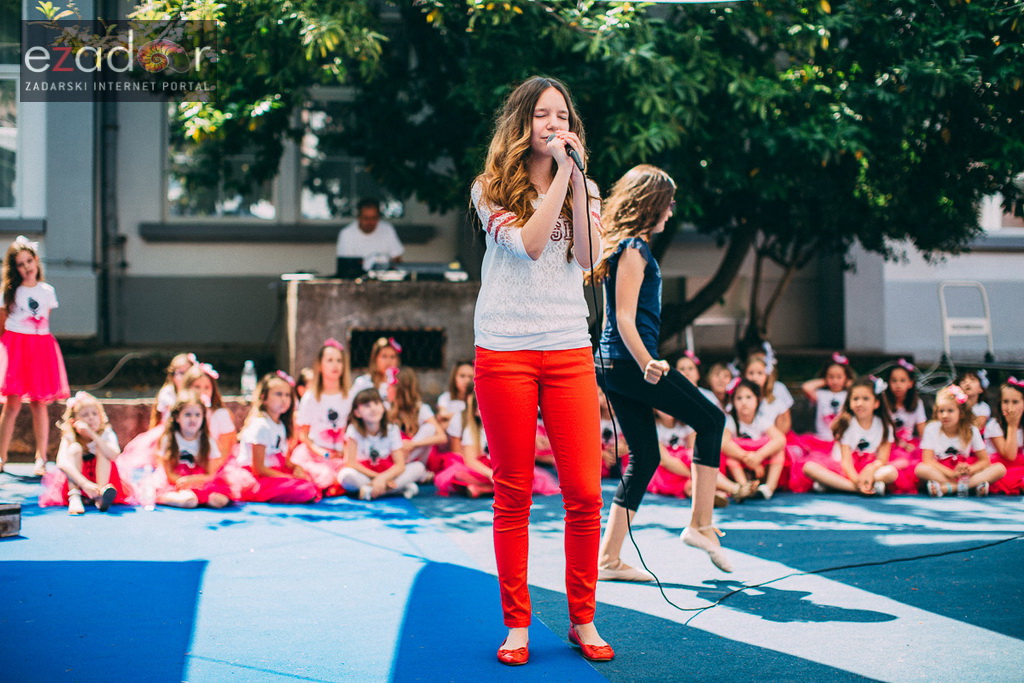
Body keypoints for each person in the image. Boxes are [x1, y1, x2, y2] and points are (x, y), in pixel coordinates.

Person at [470, 76, 611, 665]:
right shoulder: (489, 187)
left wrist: (577, 184)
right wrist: (558, 181)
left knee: (584, 489)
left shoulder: (584, 183)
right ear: (523, 124)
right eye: (542, 115)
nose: (553, 124)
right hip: (503, 350)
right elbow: (528, 244)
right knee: (515, 491)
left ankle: (583, 619)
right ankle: (518, 624)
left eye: (562, 115)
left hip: (566, 346)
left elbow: (590, 257)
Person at [589, 164, 730, 588]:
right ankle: (700, 524)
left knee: (646, 457)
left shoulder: (630, 247)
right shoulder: (632, 248)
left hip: (616, 366)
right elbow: (625, 318)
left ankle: (609, 558)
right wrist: (648, 361)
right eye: (668, 201)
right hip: (630, 365)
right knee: (712, 420)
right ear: (651, 203)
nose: (671, 210)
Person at [0, 236, 70, 475]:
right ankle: (1, 456)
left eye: (29, 261)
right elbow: (3, 325)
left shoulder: (47, 291)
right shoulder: (10, 292)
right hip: (15, 347)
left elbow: (44, 321)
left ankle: (41, 458)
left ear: (36, 260)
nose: (27, 267)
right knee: (12, 403)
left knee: (40, 402)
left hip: (40, 349)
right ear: (15, 268)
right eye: (20, 264)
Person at [435, 385, 559, 498]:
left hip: (502, 469)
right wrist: (490, 474)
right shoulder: (472, 431)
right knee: (459, 475)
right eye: (481, 406)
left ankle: (483, 490)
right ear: (475, 412)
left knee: (526, 478)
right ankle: (491, 488)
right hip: (482, 469)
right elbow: (470, 460)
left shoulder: (502, 428)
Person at [224, 372, 320, 504]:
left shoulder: (280, 425)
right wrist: (287, 477)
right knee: (304, 489)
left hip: (274, 472)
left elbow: (282, 458)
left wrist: (296, 468)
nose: (284, 399)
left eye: (287, 395)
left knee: (310, 481)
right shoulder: (261, 425)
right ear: (264, 398)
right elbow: (258, 468)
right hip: (258, 477)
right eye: (278, 394)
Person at [801, 377, 898, 495]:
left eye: (865, 399)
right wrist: (857, 482)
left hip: (869, 468)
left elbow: (882, 459)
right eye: (855, 399)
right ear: (849, 402)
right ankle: (859, 488)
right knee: (809, 467)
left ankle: (834, 485)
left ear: (876, 403)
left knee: (891, 472)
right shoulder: (846, 424)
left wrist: (869, 469)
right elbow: (846, 462)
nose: (859, 403)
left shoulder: (885, 426)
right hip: (843, 468)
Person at [39, 392, 126, 514]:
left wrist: (92, 434)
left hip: (102, 476)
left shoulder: (106, 433)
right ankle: (75, 496)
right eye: (85, 415)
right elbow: (62, 462)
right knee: (75, 448)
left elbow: (114, 455)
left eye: (95, 414)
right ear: (73, 421)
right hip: (79, 479)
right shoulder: (69, 436)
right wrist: (84, 484)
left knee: (103, 450)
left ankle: (100, 495)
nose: (91, 418)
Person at [915, 385, 1005, 497]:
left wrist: (969, 470)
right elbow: (927, 460)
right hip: (943, 471)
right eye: (941, 411)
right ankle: (969, 487)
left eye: (950, 411)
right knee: (920, 469)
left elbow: (984, 461)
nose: (944, 415)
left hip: (964, 470)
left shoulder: (971, 429)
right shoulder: (932, 428)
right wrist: (951, 473)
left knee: (1000, 468)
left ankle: (950, 488)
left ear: (961, 413)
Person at [337, 388, 424, 500]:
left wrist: (383, 478)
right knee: (345, 476)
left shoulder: (392, 429)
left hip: (387, 472)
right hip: (367, 475)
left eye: (377, 403)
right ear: (357, 413)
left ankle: (372, 491)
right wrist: (378, 478)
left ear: (383, 407)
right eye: (367, 405)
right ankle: (397, 489)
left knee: (419, 467)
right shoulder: (353, 430)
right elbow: (351, 463)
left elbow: (399, 465)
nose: (373, 408)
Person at [291, 339, 353, 494]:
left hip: (344, 454)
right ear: (319, 365)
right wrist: (321, 452)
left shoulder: (350, 396)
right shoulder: (311, 397)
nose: (335, 365)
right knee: (324, 476)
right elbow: (303, 434)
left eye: (339, 361)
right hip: (316, 454)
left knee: (349, 476)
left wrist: (346, 451)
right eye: (330, 360)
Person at [155, 392, 231, 509]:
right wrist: (182, 481)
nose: (193, 419)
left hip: (200, 481)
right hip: (177, 481)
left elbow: (210, 474)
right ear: (177, 417)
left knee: (219, 501)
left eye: (197, 415)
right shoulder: (169, 439)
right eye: (188, 415)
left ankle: (200, 497)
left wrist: (192, 480)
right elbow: (169, 473)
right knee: (189, 501)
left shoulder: (208, 440)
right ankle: (162, 497)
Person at [721, 378, 787, 500]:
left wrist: (759, 456)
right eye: (739, 398)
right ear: (733, 402)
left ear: (758, 400)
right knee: (730, 455)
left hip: (761, 463)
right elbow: (724, 443)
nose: (744, 402)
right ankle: (744, 486)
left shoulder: (761, 420)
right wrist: (746, 457)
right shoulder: (730, 421)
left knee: (779, 451)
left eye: (748, 397)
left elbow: (780, 439)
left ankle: (769, 488)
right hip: (742, 461)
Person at [882, 358, 928, 494]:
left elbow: (923, 433)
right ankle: (884, 479)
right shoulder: (883, 401)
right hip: (887, 444)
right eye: (894, 381)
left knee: (910, 462)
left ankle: (886, 481)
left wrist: (913, 447)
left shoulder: (916, 403)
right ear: (888, 383)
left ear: (910, 383)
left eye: (902, 381)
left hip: (908, 446)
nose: (898, 385)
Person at [182, 362, 238, 462]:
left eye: (207, 387)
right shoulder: (181, 413)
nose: (202, 392)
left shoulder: (220, 414)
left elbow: (225, 451)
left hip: (215, 463)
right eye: (197, 387)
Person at [335, 198, 404, 269]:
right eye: (366, 218)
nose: (370, 222)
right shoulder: (346, 234)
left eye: (373, 218)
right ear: (358, 218)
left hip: (383, 277)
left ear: (379, 218)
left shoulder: (388, 229)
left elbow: (397, 258)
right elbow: (344, 266)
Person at [982, 378, 1024, 495]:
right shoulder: (994, 425)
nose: (1009, 407)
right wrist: (1012, 425)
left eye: (1015, 402)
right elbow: (1010, 456)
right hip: (1001, 469)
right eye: (1005, 402)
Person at [351, 336, 401, 401]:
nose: (388, 361)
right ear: (375, 359)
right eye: (384, 356)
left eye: (392, 357)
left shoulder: (402, 383)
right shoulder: (363, 382)